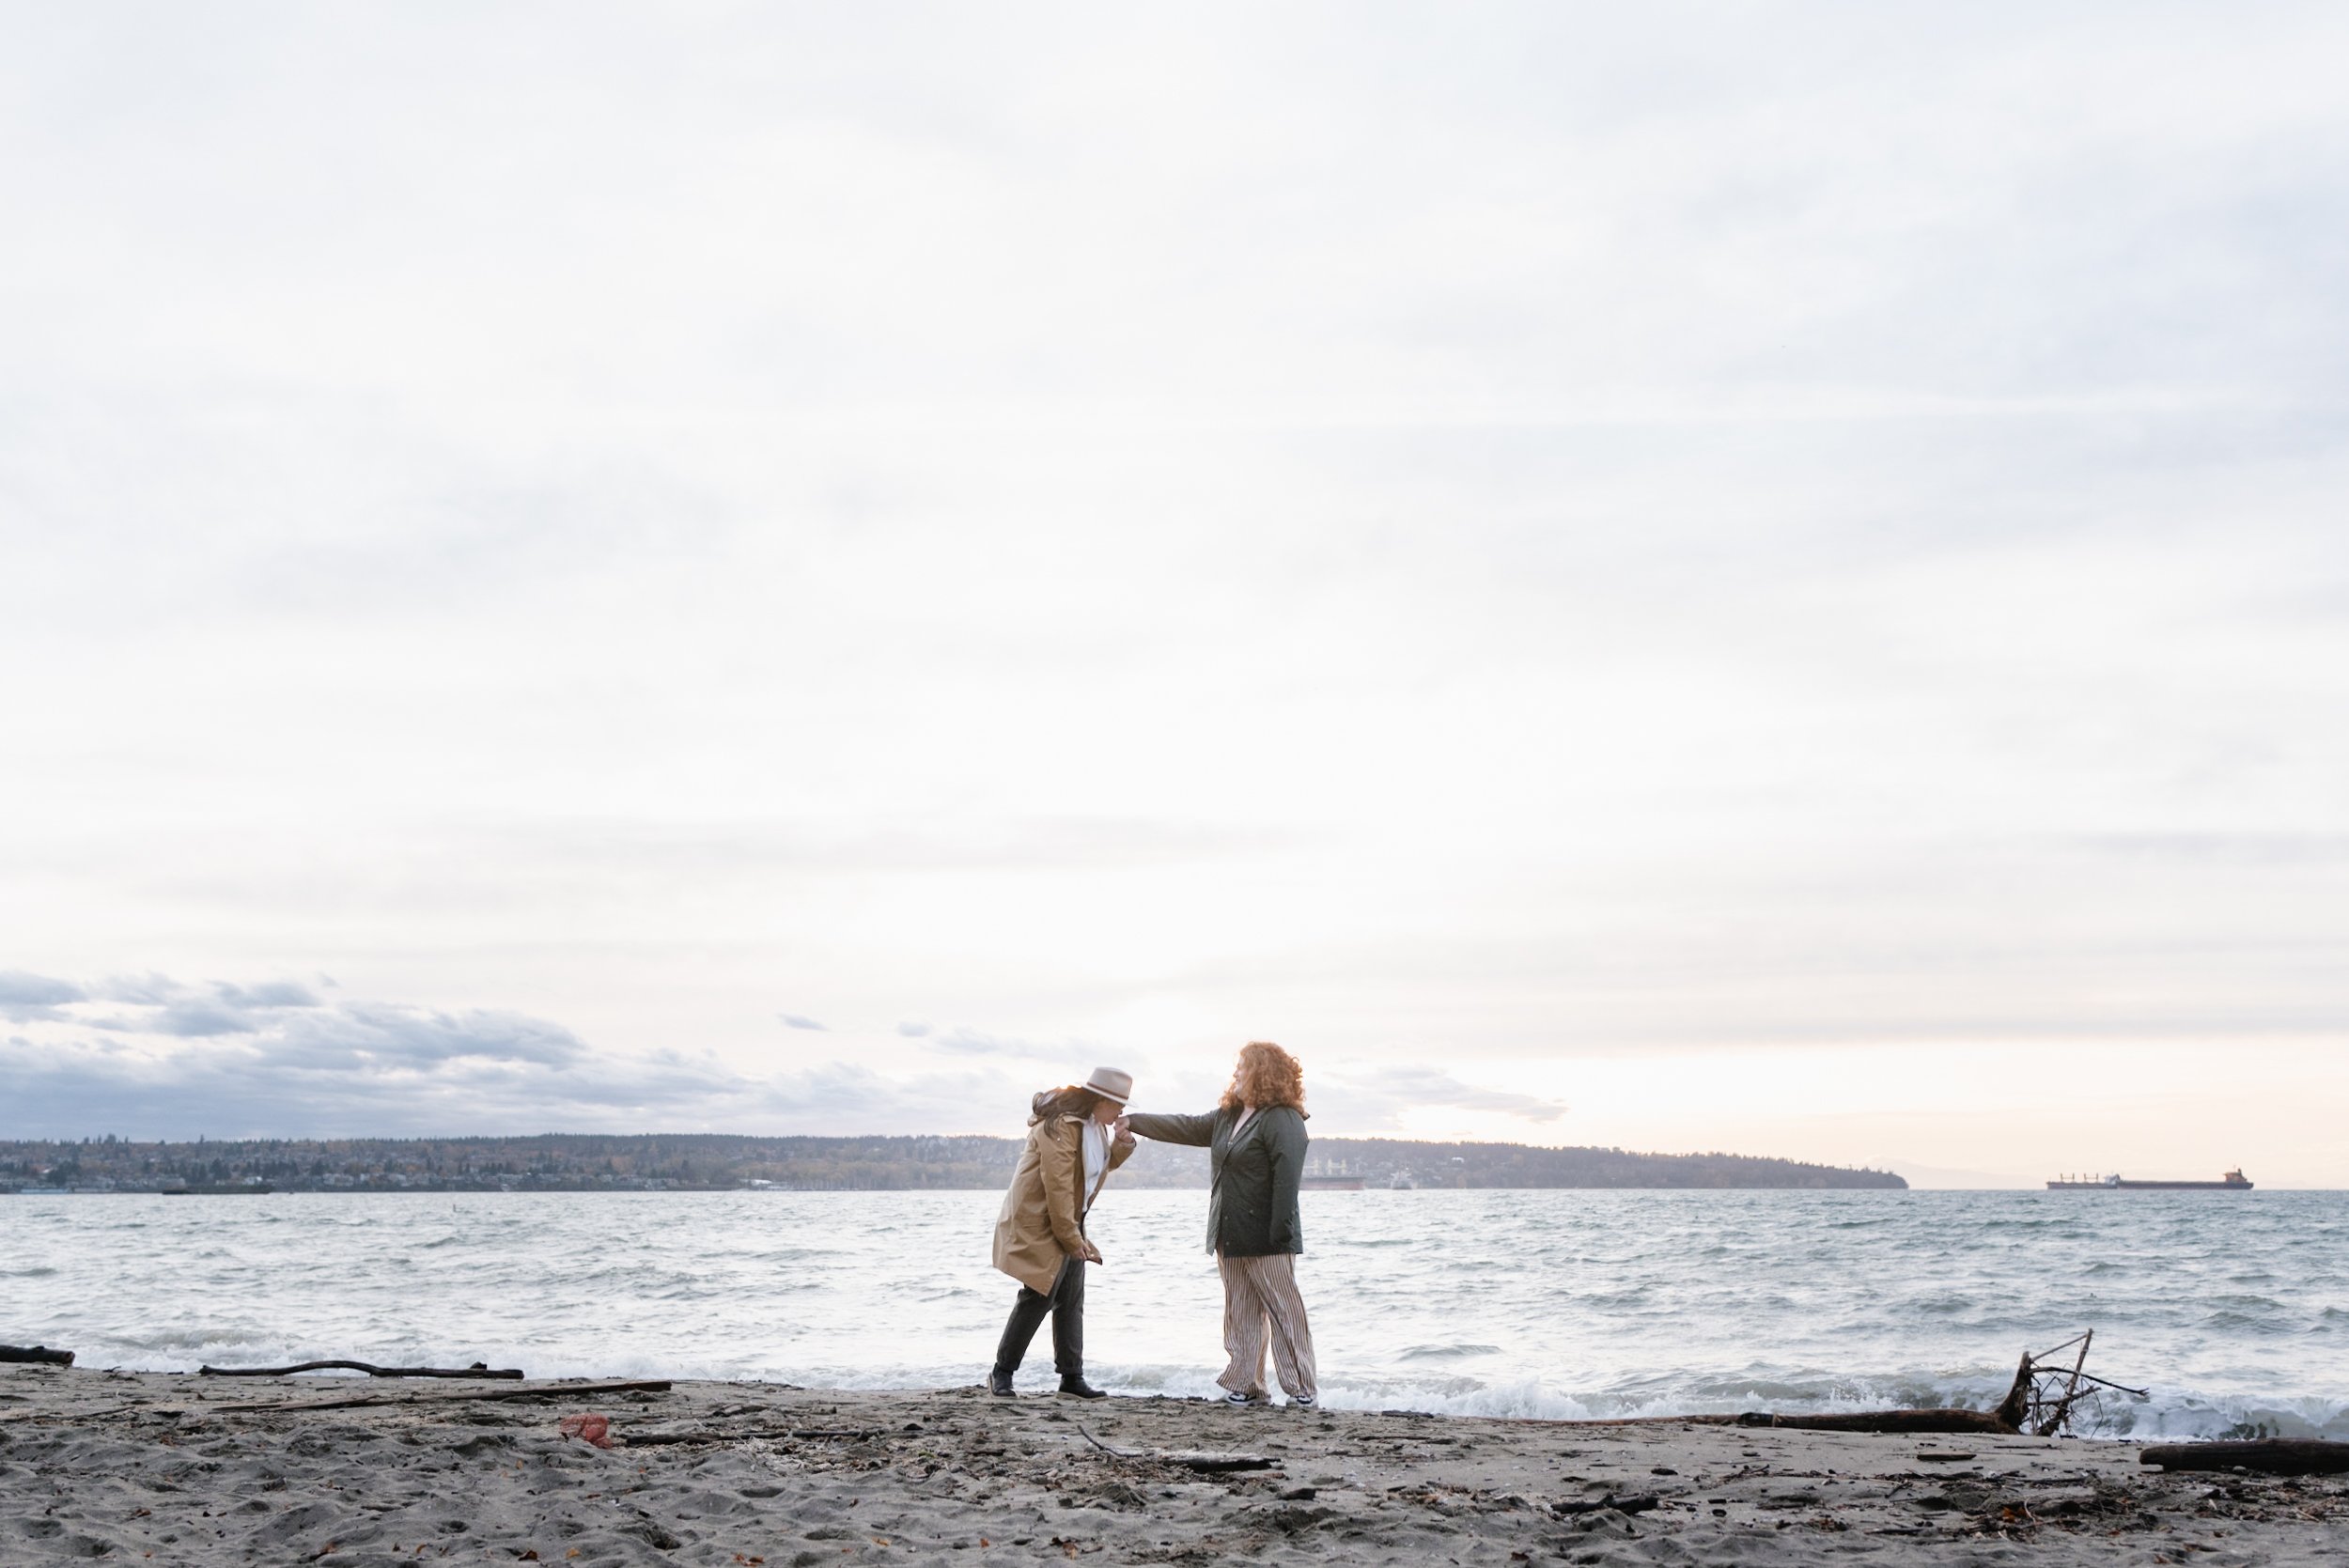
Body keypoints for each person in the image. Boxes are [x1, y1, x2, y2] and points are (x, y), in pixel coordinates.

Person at [1124, 1041, 1316, 1408]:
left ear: (1264, 1071)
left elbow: (1287, 1180)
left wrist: (1279, 1233)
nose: (1237, 1073)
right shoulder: (1227, 1116)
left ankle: (1302, 1388)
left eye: (1243, 1067)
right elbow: (1184, 1126)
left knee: (1283, 1311)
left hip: (1269, 1235)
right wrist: (1135, 1121)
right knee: (1240, 1311)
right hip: (1229, 1231)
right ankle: (1247, 1384)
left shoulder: (1282, 1118)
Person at [988, 1065, 1135, 1400]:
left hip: (1069, 1218)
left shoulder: (1093, 1126)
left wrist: (1121, 1145)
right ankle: (1002, 1372)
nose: (1122, 1112)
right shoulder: (1061, 1125)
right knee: (1039, 1295)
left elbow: (1096, 1167)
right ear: (1100, 1099)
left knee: (1071, 1300)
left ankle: (1071, 1377)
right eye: (1119, 1105)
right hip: (1041, 1220)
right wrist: (1071, 1238)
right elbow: (1057, 1186)